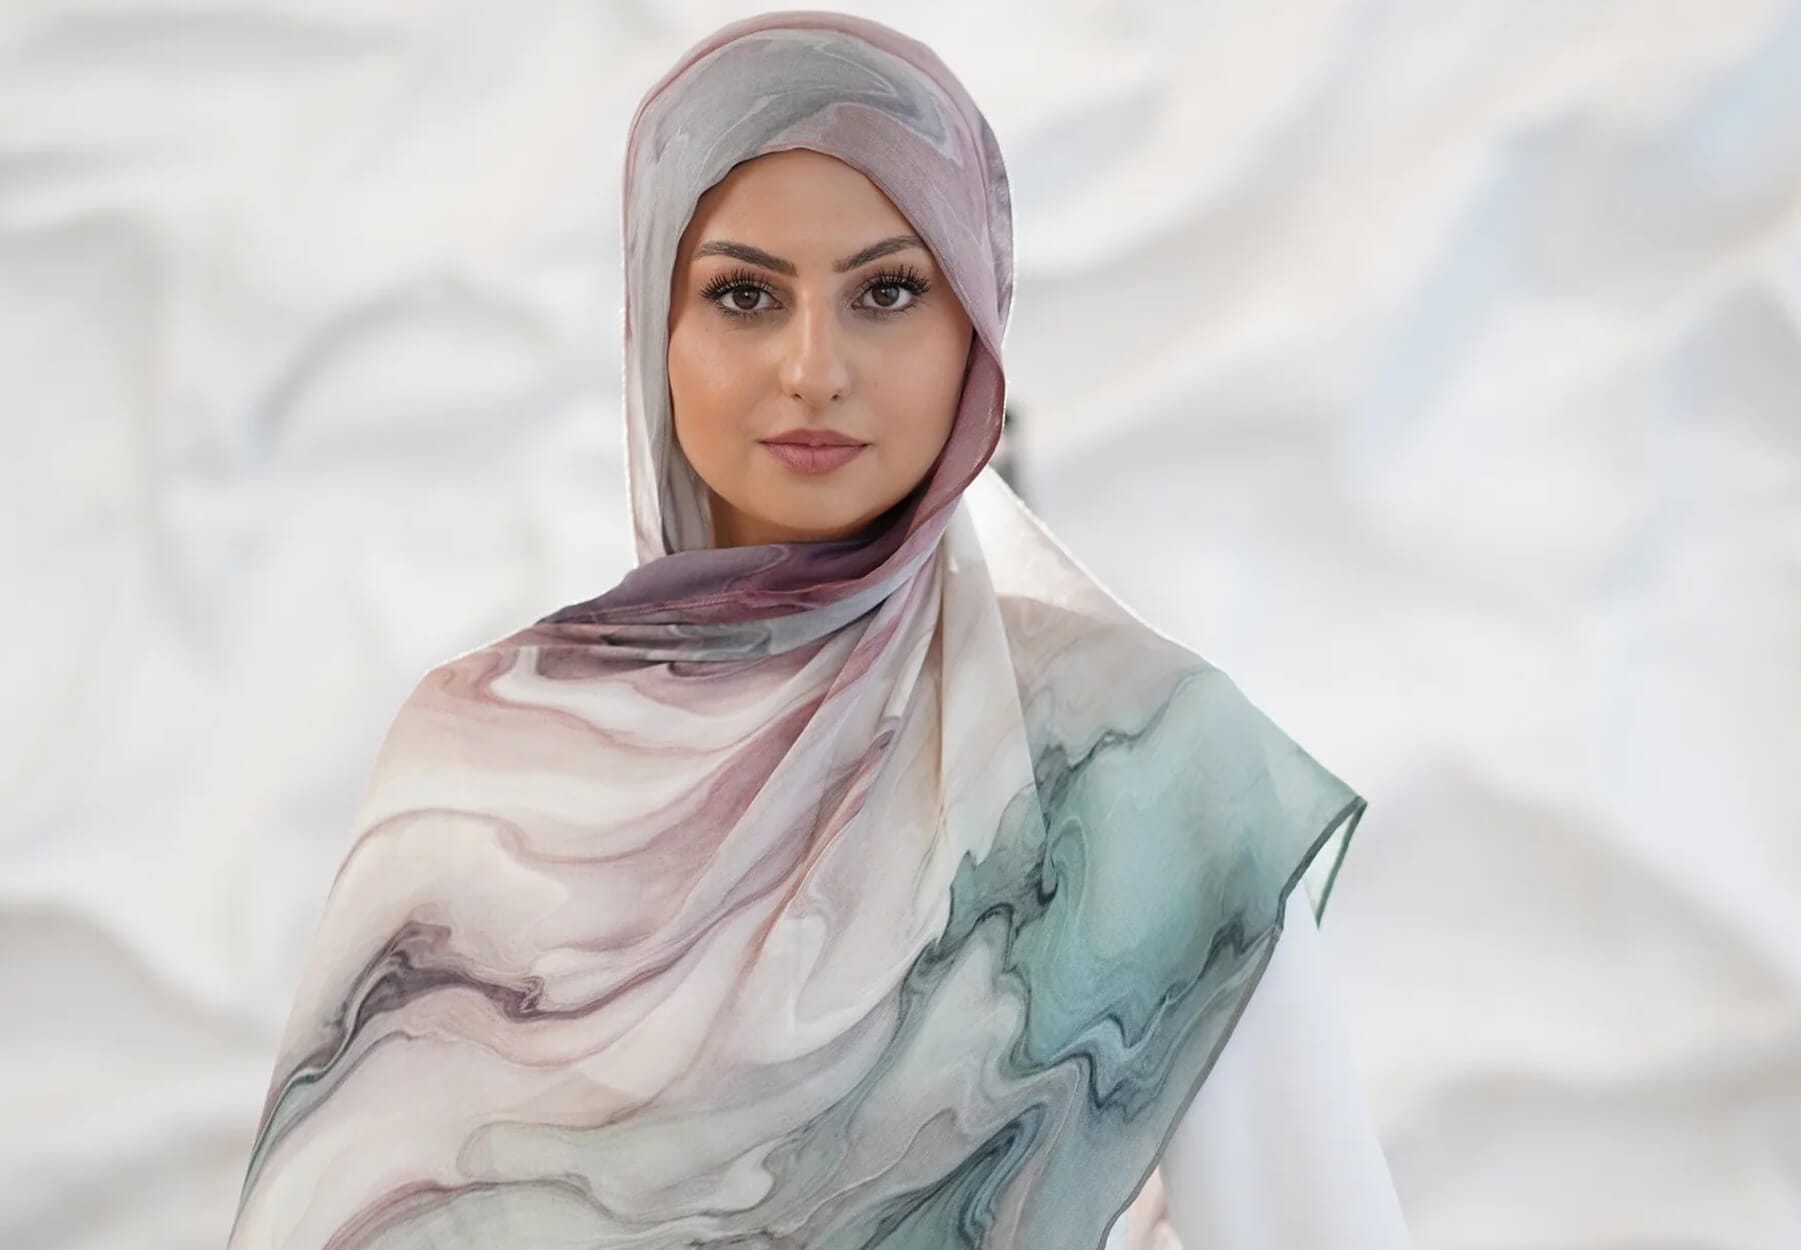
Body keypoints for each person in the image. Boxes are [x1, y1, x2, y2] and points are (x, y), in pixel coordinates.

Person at [225, 11, 1408, 1249]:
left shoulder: (1142, 772)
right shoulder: (481, 762)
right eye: (742, 293)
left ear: (979, 332)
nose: (811, 367)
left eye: (887, 290)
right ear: (654, 331)